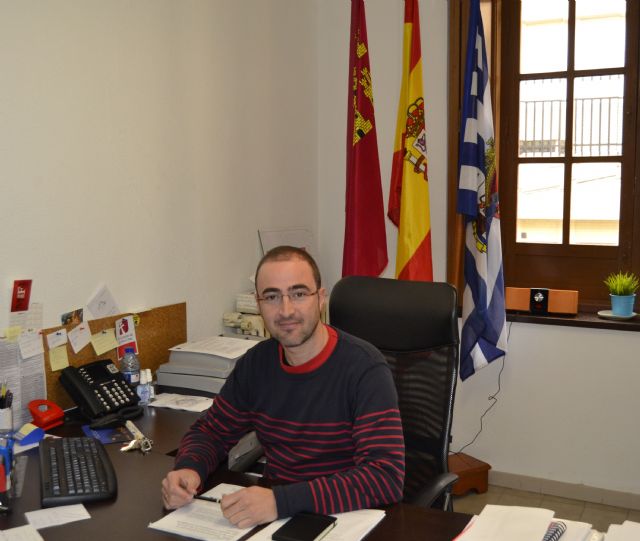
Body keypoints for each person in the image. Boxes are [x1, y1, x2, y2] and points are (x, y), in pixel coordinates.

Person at [161, 246, 405, 528]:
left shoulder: (364, 368)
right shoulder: (256, 364)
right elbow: (211, 432)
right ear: (259, 304)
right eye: (272, 297)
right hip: (278, 518)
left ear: (320, 299)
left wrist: (281, 502)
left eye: (298, 294)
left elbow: (385, 477)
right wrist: (189, 468)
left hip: (349, 518)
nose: (286, 310)